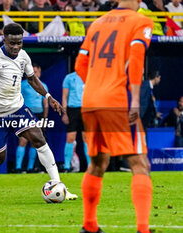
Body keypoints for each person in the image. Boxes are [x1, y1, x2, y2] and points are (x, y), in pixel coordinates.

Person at [0, 23, 78, 200]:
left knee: (39, 140)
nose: (15, 47)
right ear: (4, 40)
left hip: (18, 108)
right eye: (12, 43)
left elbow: (32, 79)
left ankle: (60, 186)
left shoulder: (23, 56)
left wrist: (49, 96)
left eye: (19, 43)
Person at [74, 0, 154, 232]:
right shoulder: (141, 21)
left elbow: (80, 64)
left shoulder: (97, 23)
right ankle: (143, 229)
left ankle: (89, 226)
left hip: (90, 101)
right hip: (118, 100)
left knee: (98, 162)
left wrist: (98, 85)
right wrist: (136, 99)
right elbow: (137, 56)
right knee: (139, 163)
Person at [15, 63, 49, 173]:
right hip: (25, 114)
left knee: (35, 141)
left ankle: (31, 168)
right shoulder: (23, 85)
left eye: (37, 71)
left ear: (40, 72)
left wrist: (45, 119)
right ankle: (18, 167)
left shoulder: (43, 85)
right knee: (23, 140)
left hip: (38, 115)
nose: (35, 74)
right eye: (33, 71)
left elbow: (46, 104)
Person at [61, 71, 89, 172]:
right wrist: (64, 113)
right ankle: (67, 166)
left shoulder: (89, 75)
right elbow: (64, 96)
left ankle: (90, 166)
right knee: (70, 138)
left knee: (87, 138)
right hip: (72, 110)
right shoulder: (69, 77)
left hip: (86, 109)